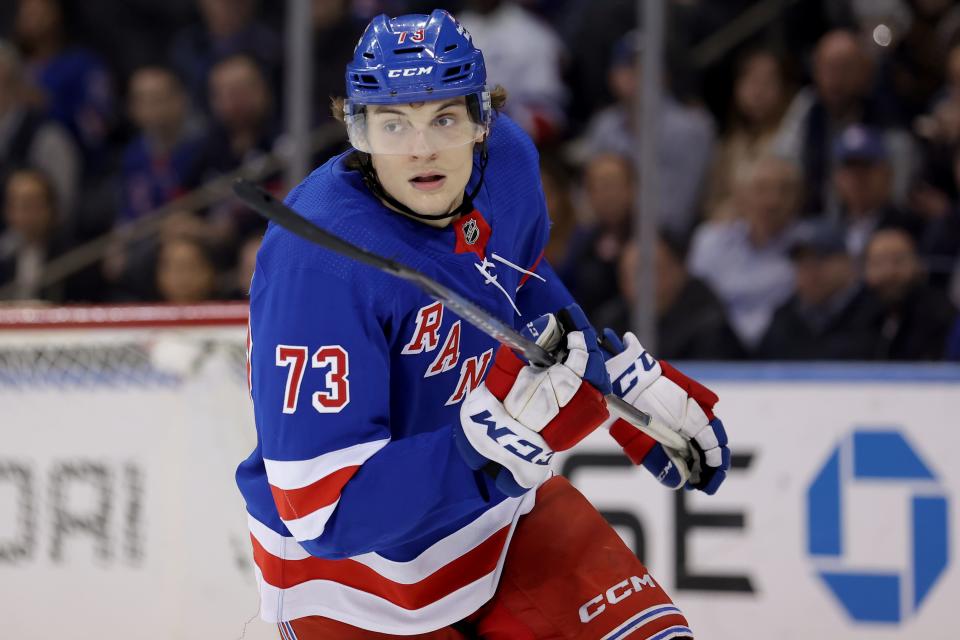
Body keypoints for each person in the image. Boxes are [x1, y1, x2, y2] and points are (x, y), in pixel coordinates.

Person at [236, 10, 730, 639]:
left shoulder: (509, 165)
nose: (422, 149)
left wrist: (616, 388)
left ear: (481, 118)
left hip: (494, 516)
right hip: (350, 583)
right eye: (394, 124)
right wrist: (480, 450)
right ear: (358, 131)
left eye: (444, 118)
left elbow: (516, 281)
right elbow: (319, 510)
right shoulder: (317, 265)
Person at [688, 156, 802, 351]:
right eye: (761, 189)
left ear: (798, 198)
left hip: (787, 353)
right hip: (719, 352)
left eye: (784, 190)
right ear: (741, 195)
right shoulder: (712, 241)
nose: (773, 201)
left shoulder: (808, 247)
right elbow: (695, 303)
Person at [756, 221, 884, 360]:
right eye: (801, 261)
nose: (810, 270)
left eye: (820, 258)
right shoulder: (784, 318)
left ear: (848, 263)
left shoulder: (877, 313)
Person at [863, 225, 956, 360]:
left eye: (898, 261)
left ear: (919, 264)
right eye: (878, 263)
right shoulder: (858, 313)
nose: (890, 272)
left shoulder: (941, 315)